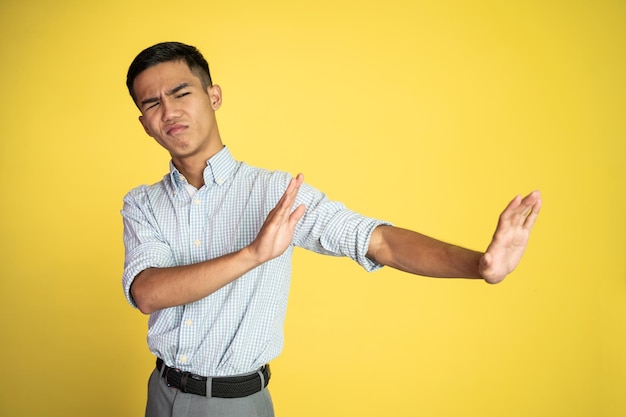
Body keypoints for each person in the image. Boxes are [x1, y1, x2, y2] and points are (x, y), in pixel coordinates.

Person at [121, 41, 542, 417]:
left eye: (180, 93)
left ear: (213, 97)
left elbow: (379, 241)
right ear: (144, 123)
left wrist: (480, 265)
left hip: (238, 405)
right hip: (162, 394)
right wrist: (253, 254)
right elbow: (147, 292)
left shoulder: (276, 193)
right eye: (152, 103)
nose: (169, 111)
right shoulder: (142, 203)